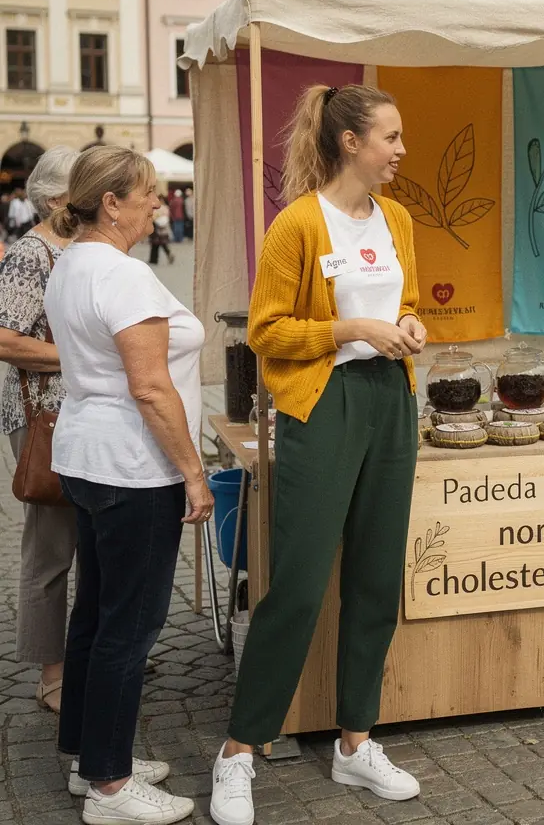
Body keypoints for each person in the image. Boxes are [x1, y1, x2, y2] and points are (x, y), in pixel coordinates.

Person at [209, 85, 427, 825]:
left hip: (389, 403)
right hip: (322, 405)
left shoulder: (396, 217)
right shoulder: (296, 224)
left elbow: (408, 300)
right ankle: (240, 751)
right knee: (299, 584)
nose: (400, 150)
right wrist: (350, 328)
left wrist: (407, 324)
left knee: (375, 578)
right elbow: (267, 331)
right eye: (390, 137)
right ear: (349, 143)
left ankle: (355, 743)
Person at [45, 145, 213, 825]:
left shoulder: (69, 265)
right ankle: (110, 785)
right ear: (109, 203)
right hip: (133, 467)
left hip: (88, 455)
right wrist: (194, 474)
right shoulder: (122, 275)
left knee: (95, 613)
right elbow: (150, 386)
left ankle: (89, 754)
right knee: (129, 625)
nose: (155, 204)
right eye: (144, 194)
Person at [0, 147, 78, 714]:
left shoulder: (87, 249)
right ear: (56, 199)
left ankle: (85, 656)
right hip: (43, 419)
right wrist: (79, 358)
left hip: (86, 416)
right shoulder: (32, 254)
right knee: (51, 548)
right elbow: (5, 337)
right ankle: (52, 674)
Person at [149, 198, 174, 265]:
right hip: (163, 229)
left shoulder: (156, 208)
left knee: (156, 245)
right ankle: (168, 254)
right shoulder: (166, 208)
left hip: (157, 229)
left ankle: (153, 259)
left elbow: (153, 217)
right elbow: (168, 217)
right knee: (162, 244)